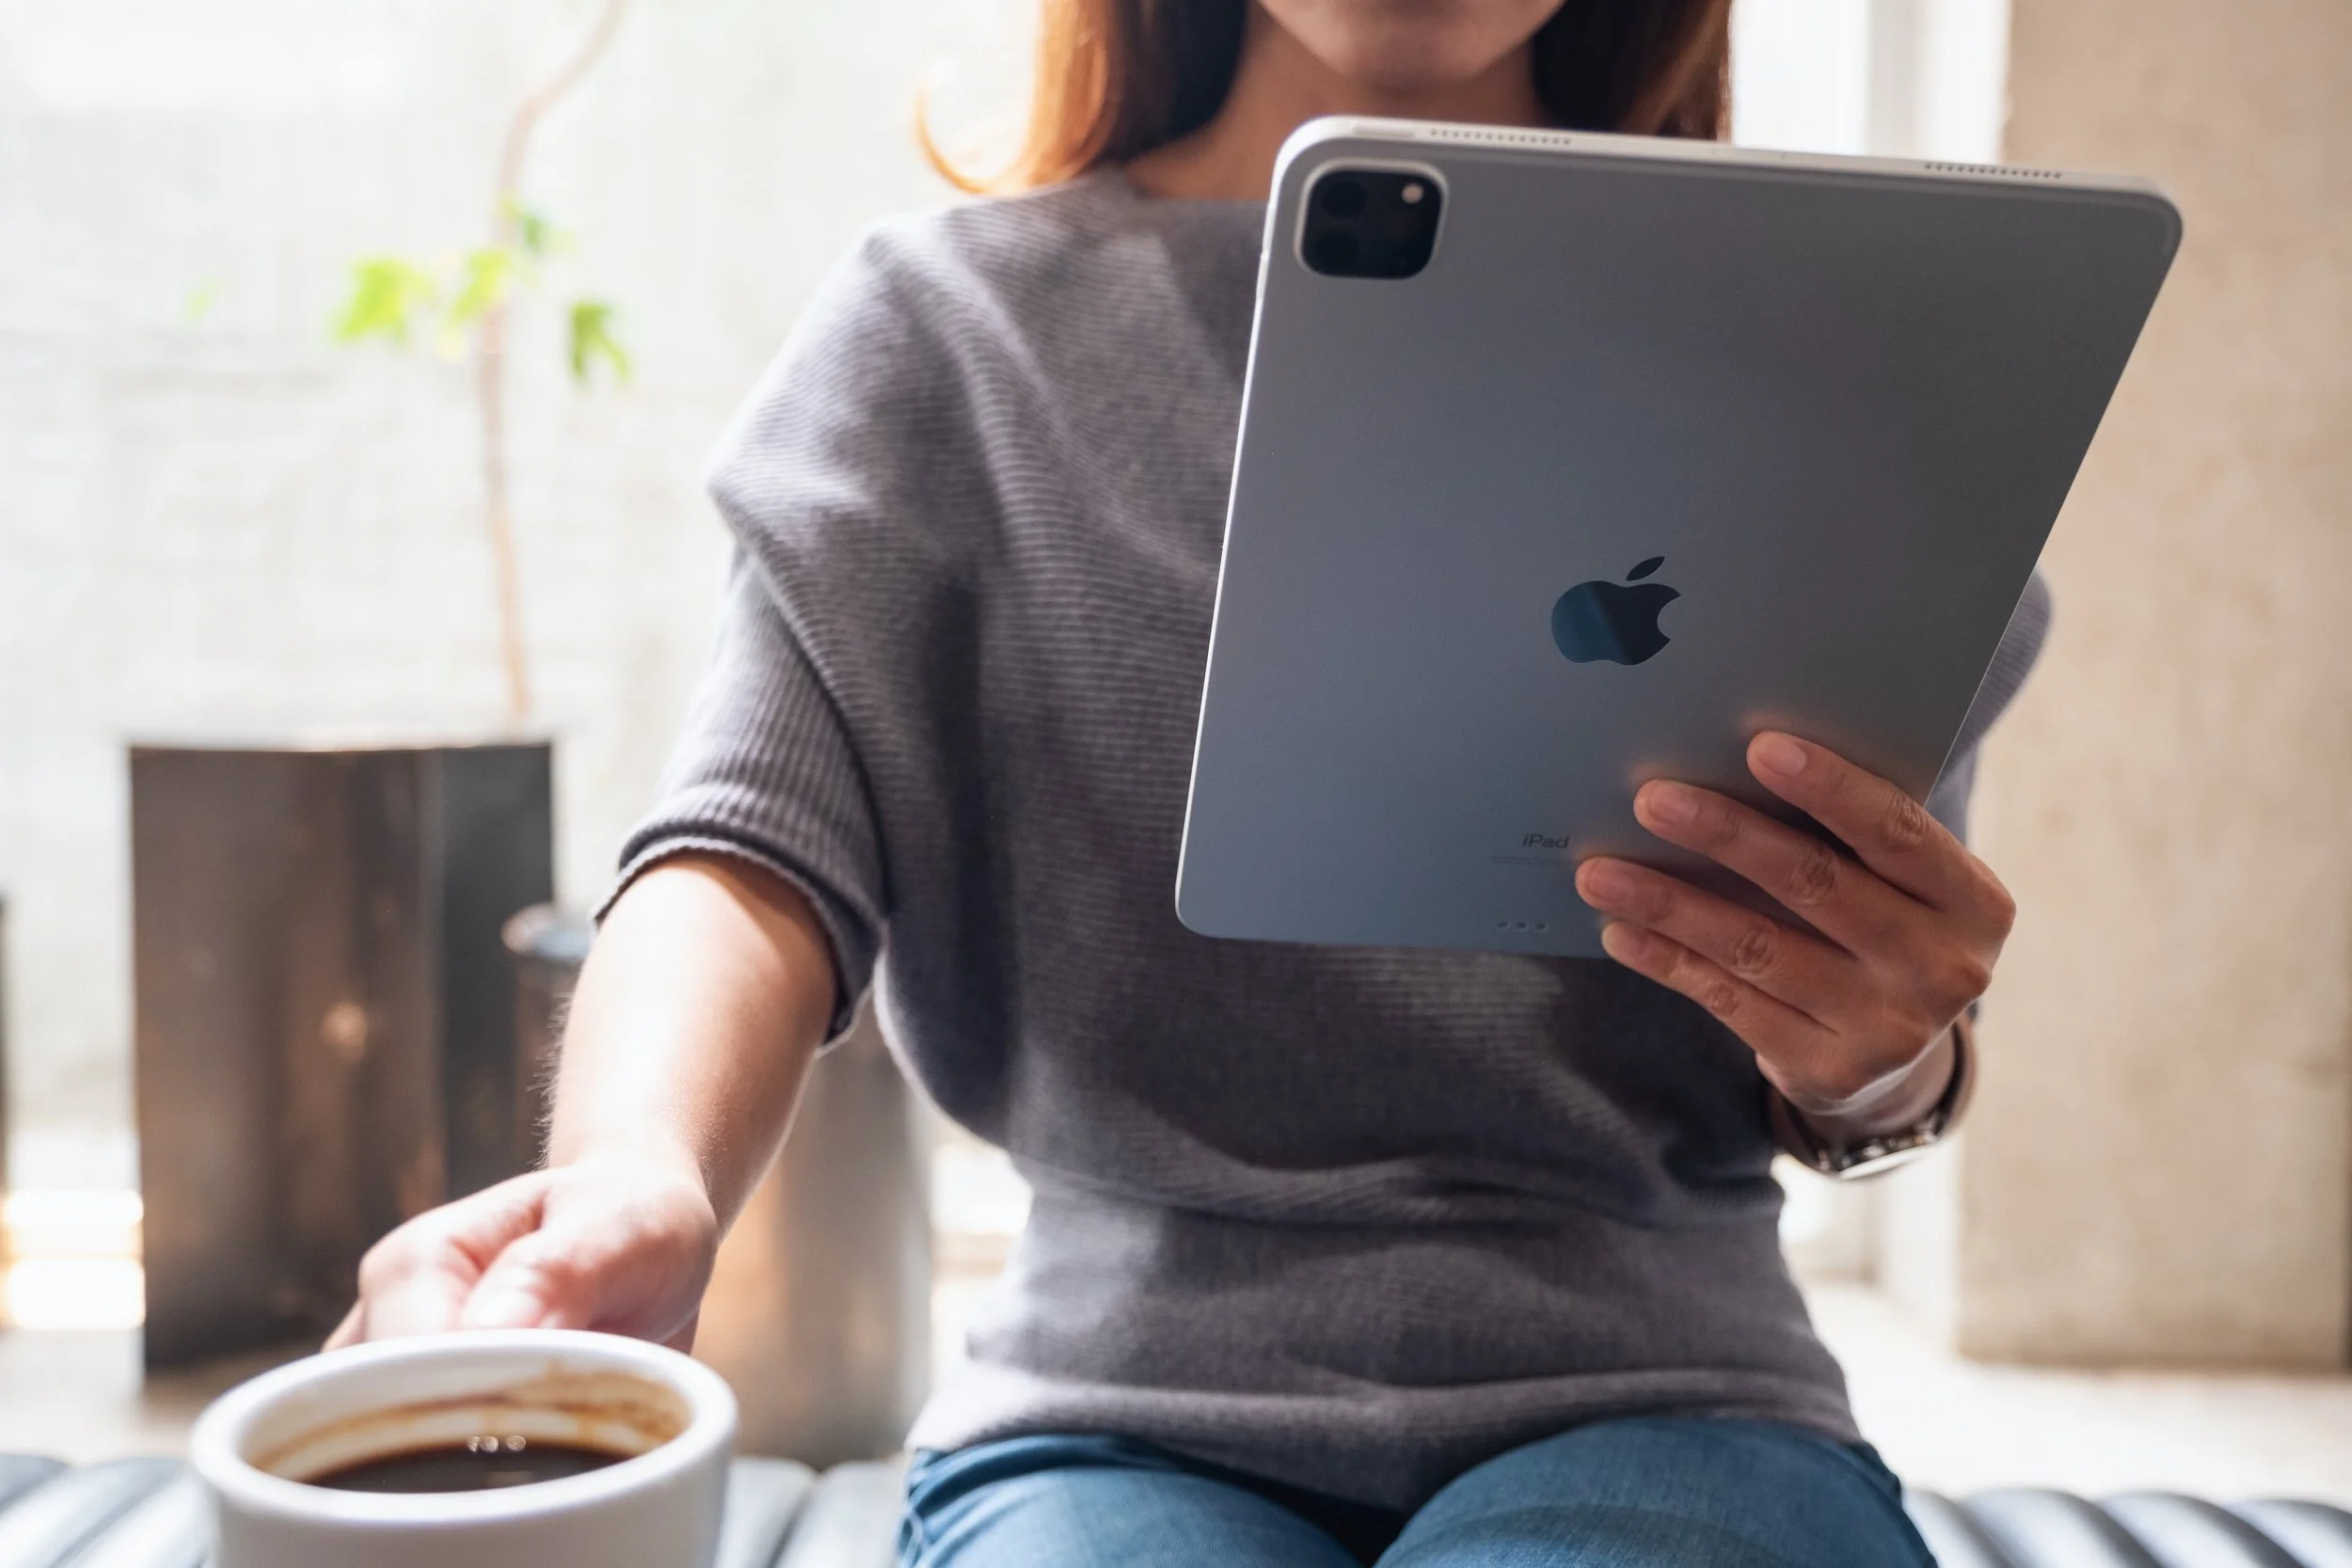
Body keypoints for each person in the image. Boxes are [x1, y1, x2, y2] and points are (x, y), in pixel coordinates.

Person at [333, 1, 2050, 1561]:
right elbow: (748, 849)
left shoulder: (1810, 357)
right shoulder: (952, 333)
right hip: (1106, 1419)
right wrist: (637, 1171)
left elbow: (1864, 1010)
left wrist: (1891, 1057)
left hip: (1684, 1403)